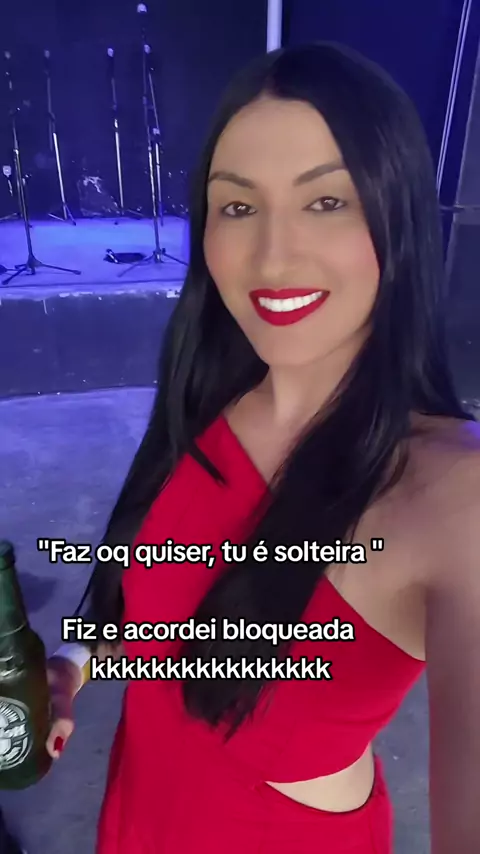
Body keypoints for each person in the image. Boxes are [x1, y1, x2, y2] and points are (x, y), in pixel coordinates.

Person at [45, 42, 480, 854]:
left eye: (328, 201)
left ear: (399, 217)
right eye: (238, 207)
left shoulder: (452, 493)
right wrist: (71, 664)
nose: (273, 256)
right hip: (134, 821)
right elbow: (155, 606)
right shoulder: (211, 395)